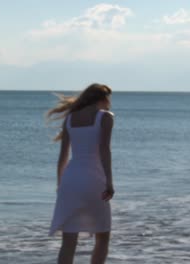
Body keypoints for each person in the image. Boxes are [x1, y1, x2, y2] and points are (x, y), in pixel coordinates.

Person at [46, 83, 115, 264]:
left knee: (68, 242)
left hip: (70, 181)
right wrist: (109, 182)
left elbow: (63, 156)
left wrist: (60, 185)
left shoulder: (70, 119)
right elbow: (104, 151)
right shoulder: (105, 117)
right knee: (102, 236)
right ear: (102, 98)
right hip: (94, 180)